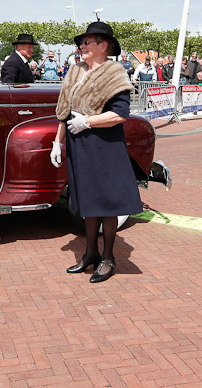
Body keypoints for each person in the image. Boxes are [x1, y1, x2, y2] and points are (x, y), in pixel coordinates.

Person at [50, 21, 141, 284]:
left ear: (103, 46)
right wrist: (58, 142)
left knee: (106, 203)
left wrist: (88, 121)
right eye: (82, 43)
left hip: (104, 146)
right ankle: (90, 253)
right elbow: (64, 110)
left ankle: (108, 258)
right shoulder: (75, 70)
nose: (82, 46)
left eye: (87, 42)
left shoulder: (115, 72)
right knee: (88, 204)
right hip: (79, 145)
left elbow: (120, 115)